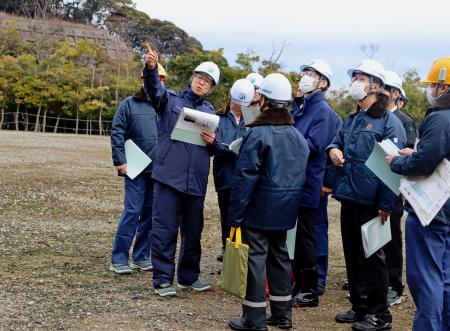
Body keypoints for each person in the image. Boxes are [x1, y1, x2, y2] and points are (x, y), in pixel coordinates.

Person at [226, 73, 309, 331]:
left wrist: (235, 215)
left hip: (259, 209)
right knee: (281, 258)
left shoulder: (257, 134)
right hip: (287, 210)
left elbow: (245, 178)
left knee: (256, 260)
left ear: (263, 99)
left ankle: (254, 319)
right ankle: (282, 315)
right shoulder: (297, 135)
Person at [327, 59, 401, 331]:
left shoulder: (388, 122)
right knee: (353, 255)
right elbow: (337, 142)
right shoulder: (353, 117)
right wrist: (333, 151)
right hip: (350, 196)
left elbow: (393, 166)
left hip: (374, 202)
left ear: (377, 86)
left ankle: (380, 315)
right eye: (354, 77)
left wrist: (386, 203)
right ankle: (359, 307)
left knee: (374, 257)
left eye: (361, 77)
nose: (355, 82)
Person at [143, 44, 221, 297]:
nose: (201, 83)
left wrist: (215, 143)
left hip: (196, 182)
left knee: (193, 233)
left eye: (207, 81)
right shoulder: (171, 100)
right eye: (199, 78)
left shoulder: (210, 112)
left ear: (211, 88)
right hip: (169, 177)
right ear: (192, 79)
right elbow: (154, 91)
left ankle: (189, 277)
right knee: (164, 229)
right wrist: (151, 68)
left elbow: (216, 148)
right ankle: (162, 280)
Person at [386, 56, 450, 331]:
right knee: (445, 276)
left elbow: (424, 164)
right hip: (447, 209)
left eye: (433, 85)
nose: (430, 90)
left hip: (430, 211)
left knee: (426, 279)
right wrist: (419, 153)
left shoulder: (439, 118)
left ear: (443, 86)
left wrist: (396, 162)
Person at [290, 59, 341, 306]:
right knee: (297, 236)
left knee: (307, 237)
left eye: (311, 73)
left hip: (309, 183)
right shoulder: (302, 106)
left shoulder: (324, 112)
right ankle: (298, 284)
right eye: (305, 72)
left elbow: (314, 146)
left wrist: (285, 144)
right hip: (295, 181)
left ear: (323, 83)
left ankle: (309, 290)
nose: (305, 76)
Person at [109, 65, 166, 274]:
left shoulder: (165, 105)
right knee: (132, 212)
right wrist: (120, 160)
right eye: (152, 78)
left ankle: (142, 256)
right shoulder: (128, 105)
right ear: (142, 79)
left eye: (161, 79)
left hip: (159, 171)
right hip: (135, 168)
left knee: (151, 215)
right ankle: (119, 258)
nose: (156, 81)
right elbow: (117, 132)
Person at [382, 70, 417, 306]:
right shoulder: (375, 117)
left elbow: (411, 153)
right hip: (375, 184)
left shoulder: (405, 121)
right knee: (376, 237)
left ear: (395, 93)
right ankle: (377, 282)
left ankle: (394, 285)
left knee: (392, 237)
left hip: (394, 185)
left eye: (385, 88)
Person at [213, 78, 255, 262]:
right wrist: (223, 148)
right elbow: (212, 143)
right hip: (225, 174)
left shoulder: (253, 117)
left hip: (245, 175)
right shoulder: (218, 118)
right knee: (227, 215)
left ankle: (243, 251)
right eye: (237, 103)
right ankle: (227, 249)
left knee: (245, 216)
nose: (240, 107)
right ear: (231, 98)